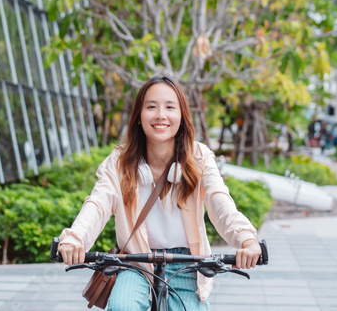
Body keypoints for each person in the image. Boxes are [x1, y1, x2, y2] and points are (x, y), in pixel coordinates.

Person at [58, 77, 261, 311]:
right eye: (151, 106)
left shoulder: (199, 157)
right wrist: (75, 238)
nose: (160, 115)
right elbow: (98, 203)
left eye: (170, 107)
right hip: (135, 262)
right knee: (122, 307)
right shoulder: (120, 160)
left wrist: (246, 239)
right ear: (139, 116)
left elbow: (220, 202)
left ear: (182, 116)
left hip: (187, 263)